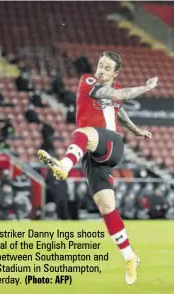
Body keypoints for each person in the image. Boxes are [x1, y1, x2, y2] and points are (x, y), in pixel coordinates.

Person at [37, 51, 158, 285]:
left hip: (112, 143)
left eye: (106, 68)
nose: (100, 70)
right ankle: (129, 256)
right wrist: (139, 121)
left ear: (115, 73)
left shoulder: (114, 88)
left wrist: (135, 129)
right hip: (92, 153)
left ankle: (64, 165)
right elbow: (117, 103)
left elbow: (118, 104)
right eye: (100, 65)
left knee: (81, 133)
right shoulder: (88, 81)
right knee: (106, 208)